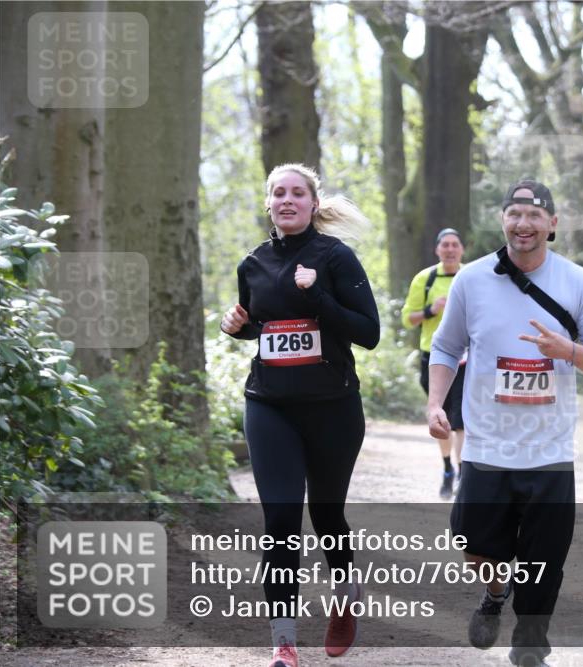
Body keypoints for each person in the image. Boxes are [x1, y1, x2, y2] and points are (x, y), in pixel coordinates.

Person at [426, 179, 583, 667]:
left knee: (545, 561)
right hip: (488, 446)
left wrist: (569, 351)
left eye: (535, 215)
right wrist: (435, 403)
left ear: (552, 224)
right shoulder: (471, 280)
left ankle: (530, 643)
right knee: (472, 545)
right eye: (514, 213)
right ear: (503, 222)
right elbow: (447, 346)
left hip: (550, 449)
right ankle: (495, 592)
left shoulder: (578, 282)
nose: (523, 223)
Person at [220, 163, 379, 667]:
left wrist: (319, 295)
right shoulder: (253, 264)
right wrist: (238, 327)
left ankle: (345, 596)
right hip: (269, 405)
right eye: (278, 193)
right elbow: (261, 325)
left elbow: (368, 333)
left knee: (326, 513)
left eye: (297, 193)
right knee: (282, 519)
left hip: (333, 407)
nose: (287, 200)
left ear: (313, 203)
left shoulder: (336, 257)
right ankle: (284, 644)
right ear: (268, 203)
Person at [400, 228, 467, 498]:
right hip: (434, 357)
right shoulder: (425, 279)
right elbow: (407, 319)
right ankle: (447, 467)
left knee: (463, 420)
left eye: (455, 244)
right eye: (445, 245)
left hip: (467, 356)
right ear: (437, 250)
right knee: (442, 418)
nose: (450, 249)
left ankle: (463, 472)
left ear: (462, 249)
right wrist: (431, 310)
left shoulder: (471, 276)